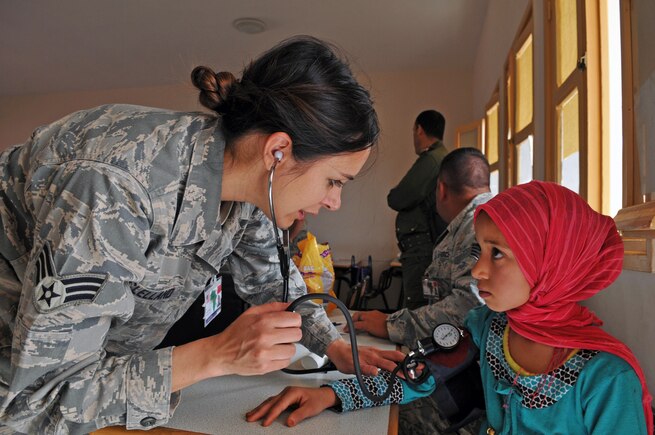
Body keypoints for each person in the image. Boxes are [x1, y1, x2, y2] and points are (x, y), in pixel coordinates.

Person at [0, 36, 405, 433]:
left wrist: (335, 347)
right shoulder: (112, 190)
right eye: (335, 181)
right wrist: (218, 355)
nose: (334, 202)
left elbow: (274, 284)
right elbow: (41, 400)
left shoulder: (246, 185)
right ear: (278, 151)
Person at [246, 181, 653, 434]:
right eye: (480, 250)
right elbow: (418, 375)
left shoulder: (608, 380)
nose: (476, 270)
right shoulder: (488, 328)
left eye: (497, 254)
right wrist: (333, 396)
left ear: (553, 263)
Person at [350, 147, 492, 434]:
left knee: (380, 414)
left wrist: (393, 325)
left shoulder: (477, 225)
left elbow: (468, 307)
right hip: (454, 373)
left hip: (463, 387)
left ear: (440, 189)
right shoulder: (482, 217)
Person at [388, 110, 449, 309]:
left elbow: (399, 198)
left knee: (418, 304)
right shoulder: (440, 157)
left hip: (421, 247)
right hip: (426, 245)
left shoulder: (432, 159)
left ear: (419, 129)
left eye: (414, 130)